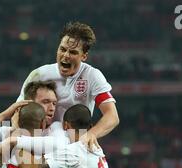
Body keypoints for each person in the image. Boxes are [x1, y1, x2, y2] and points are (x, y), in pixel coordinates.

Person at [17, 21, 119, 150]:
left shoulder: (92, 76)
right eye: (62, 49)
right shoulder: (39, 74)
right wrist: (15, 134)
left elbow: (112, 116)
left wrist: (91, 135)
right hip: (40, 144)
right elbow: (18, 109)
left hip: (76, 146)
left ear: (84, 56)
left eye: (73, 52)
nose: (65, 55)